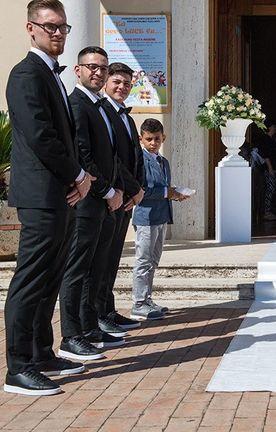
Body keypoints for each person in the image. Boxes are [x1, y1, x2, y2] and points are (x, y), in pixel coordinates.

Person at [4, 0, 95, 395]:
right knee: (31, 278)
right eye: (49, 26)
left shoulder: (51, 74)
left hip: (60, 192)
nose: (57, 33)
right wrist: (77, 174)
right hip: (41, 192)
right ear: (31, 28)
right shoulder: (26, 75)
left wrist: (76, 180)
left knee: (51, 276)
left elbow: (65, 135)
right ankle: (18, 367)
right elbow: (41, 136)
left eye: (62, 27)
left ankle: (42, 353)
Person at [59, 46, 128, 362]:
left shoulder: (100, 106)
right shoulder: (77, 105)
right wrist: (106, 190)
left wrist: (117, 189)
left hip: (103, 200)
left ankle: (89, 327)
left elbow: (112, 155)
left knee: (95, 268)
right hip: (88, 200)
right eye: (92, 67)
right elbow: (83, 155)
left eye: (102, 67)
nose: (98, 73)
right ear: (78, 70)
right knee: (77, 269)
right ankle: (71, 335)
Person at [101, 63, 147, 323]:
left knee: (113, 259)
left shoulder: (127, 117)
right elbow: (113, 158)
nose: (122, 87)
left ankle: (108, 310)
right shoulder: (102, 111)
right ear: (107, 82)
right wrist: (132, 188)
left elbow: (136, 157)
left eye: (127, 84)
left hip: (127, 199)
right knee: (101, 261)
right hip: (112, 195)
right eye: (117, 82)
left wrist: (138, 190)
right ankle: (98, 315)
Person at [131, 119, 187, 319]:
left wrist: (175, 194)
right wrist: (167, 192)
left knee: (153, 260)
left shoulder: (163, 162)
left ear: (163, 138)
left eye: (157, 139)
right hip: (145, 216)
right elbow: (142, 189)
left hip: (161, 215)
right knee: (143, 260)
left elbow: (165, 189)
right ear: (141, 139)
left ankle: (147, 298)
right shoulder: (140, 160)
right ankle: (138, 302)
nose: (153, 143)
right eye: (149, 139)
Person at [257, 118, 276, 220]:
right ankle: (266, 212)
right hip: (269, 168)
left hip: (274, 167)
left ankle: (268, 211)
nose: (275, 128)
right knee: (269, 190)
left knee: (272, 189)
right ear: (269, 127)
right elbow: (265, 154)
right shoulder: (265, 139)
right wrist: (270, 167)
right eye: (274, 126)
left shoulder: (271, 139)